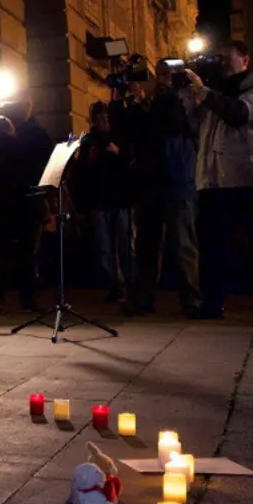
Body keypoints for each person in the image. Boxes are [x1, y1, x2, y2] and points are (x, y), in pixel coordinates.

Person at [179, 40, 253, 320]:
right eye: (217, 57)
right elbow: (195, 128)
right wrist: (186, 96)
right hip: (211, 182)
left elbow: (239, 114)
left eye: (226, 57)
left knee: (246, 245)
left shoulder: (247, 90)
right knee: (211, 247)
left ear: (244, 59)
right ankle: (212, 304)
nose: (220, 62)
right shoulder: (214, 95)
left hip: (241, 180)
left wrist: (203, 91)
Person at [120, 60, 200, 316]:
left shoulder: (187, 99)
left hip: (178, 179)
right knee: (147, 244)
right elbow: (133, 134)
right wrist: (134, 103)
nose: (162, 79)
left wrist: (174, 93)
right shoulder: (150, 104)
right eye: (159, 74)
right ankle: (143, 298)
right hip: (150, 182)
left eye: (168, 74)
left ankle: (192, 299)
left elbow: (178, 124)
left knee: (184, 244)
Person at [0, 97, 54, 312]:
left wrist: (14, 137)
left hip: (27, 198)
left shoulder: (35, 132)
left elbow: (43, 155)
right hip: (0, 198)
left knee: (27, 250)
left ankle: (28, 298)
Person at [76, 101, 134, 304]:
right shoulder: (89, 141)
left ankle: (130, 285)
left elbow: (129, 163)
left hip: (120, 199)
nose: (103, 122)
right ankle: (115, 285)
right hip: (100, 201)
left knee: (125, 245)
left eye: (105, 118)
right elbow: (81, 173)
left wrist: (118, 153)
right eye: (99, 119)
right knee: (104, 248)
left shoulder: (120, 137)